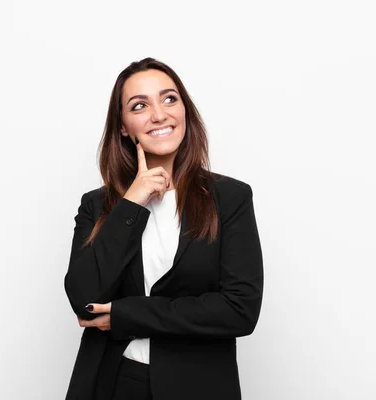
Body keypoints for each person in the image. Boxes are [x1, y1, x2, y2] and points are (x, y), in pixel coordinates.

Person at [64, 57, 264, 400]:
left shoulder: (230, 198)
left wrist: (130, 315)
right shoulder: (98, 205)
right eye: (139, 106)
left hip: (196, 386)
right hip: (113, 384)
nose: (159, 115)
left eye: (169, 99)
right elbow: (84, 300)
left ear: (185, 110)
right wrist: (132, 202)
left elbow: (239, 310)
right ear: (123, 126)